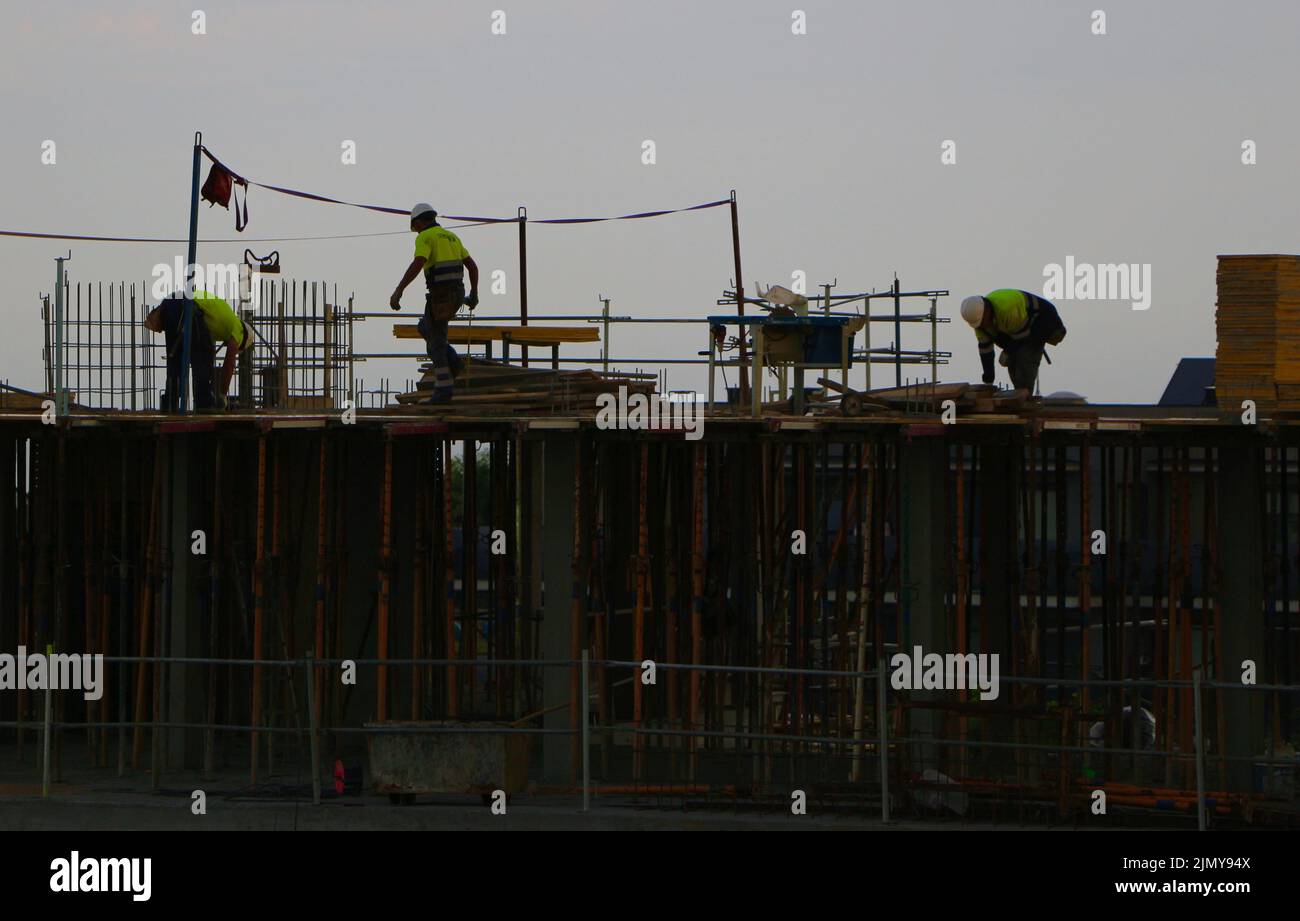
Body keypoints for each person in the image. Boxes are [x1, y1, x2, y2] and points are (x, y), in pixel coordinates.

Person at [389, 203, 480, 403]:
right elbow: (472, 266)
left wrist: (399, 290)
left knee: (436, 343)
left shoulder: (425, 237)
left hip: (441, 296)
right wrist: (474, 293)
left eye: (415, 227)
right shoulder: (452, 237)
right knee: (425, 328)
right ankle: (453, 362)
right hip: (456, 294)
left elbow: (418, 263)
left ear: (419, 222)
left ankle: (444, 389)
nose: (416, 231)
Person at [144, 290, 253, 410]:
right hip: (189, 307)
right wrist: (222, 395)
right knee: (203, 357)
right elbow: (229, 364)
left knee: (175, 358)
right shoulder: (239, 330)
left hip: (172, 303)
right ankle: (204, 403)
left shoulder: (223, 321)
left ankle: (170, 404)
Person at [959, 289, 1067, 394]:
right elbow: (985, 349)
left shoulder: (1007, 309)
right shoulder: (980, 324)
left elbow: (1023, 336)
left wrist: (1007, 352)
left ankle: (1024, 399)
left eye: (982, 321)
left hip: (1042, 321)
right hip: (1017, 332)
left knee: (1024, 359)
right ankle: (1020, 394)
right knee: (1013, 363)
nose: (982, 325)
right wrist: (988, 380)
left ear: (986, 311)